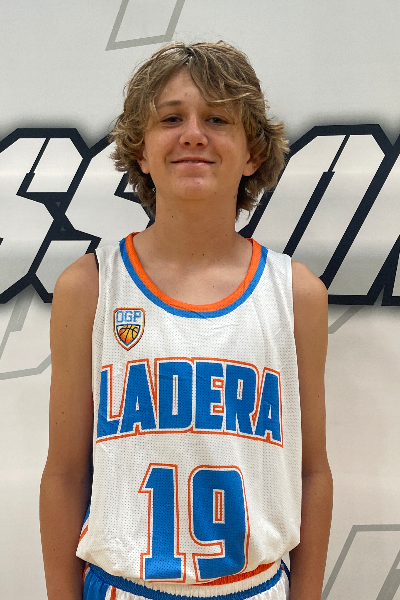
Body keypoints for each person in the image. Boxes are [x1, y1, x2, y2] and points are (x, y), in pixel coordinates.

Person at [40, 41, 333, 600]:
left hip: (253, 587)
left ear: (253, 153)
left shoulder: (295, 294)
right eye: (171, 118)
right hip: (124, 587)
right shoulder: (91, 286)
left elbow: (311, 473)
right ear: (140, 150)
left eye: (218, 119)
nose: (194, 134)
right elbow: (65, 474)